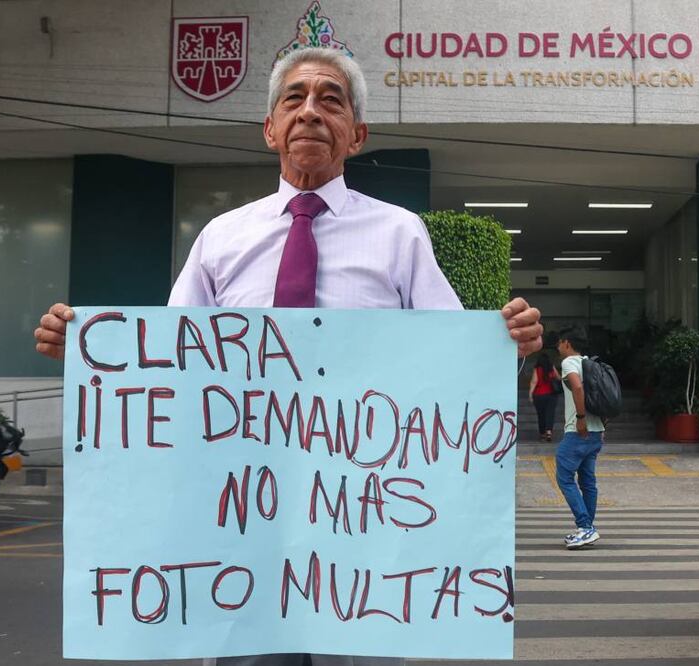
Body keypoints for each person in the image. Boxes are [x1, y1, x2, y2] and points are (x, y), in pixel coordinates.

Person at [34, 47, 543, 666]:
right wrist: (92, 355)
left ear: (356, 135)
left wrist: (505, 346)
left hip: (361, 534)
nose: (310, 112)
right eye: (293, 99)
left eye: (331, 100)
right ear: (270, 128)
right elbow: (168, 364)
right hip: (240, 526)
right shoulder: (222, 237)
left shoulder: (401, 234)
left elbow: (453, 369)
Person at [554, 327, 606, 549]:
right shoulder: (590, 364)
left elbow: (577, 387)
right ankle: (587, 529)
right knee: (587, 481)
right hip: (596, 432)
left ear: (567, 343)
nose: (557, 347)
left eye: (559, 343)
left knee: (564, 476)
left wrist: (581, 418)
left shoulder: (569, 363)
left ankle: (585, 527)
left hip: (578, 430)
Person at [528, 353, 560, 441]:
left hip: (539, 395)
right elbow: (558, 377)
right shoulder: (551, 367)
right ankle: (549, 432)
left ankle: (542, 433)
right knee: (550, 413)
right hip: (551, 395)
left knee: (541, 414)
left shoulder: (537, 369)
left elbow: (534, 381)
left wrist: (530, 394)